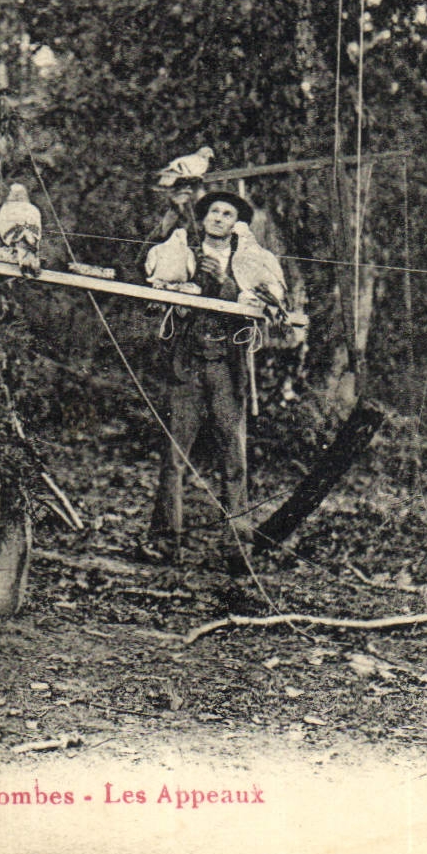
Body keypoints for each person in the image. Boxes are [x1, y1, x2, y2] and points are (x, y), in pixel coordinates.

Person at [146, 189, 254, 570]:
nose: (219, 218)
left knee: (233, 458)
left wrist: (224, 282)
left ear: (235, 223)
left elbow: (256, 306)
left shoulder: (246, 261)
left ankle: (239, 550)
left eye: (227, 213)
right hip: (188, 365)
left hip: (226, 367)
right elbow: (152, 271)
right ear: (204, 217)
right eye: (213, 211)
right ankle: (165, 543)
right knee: (174, 456)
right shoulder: (186, 251)